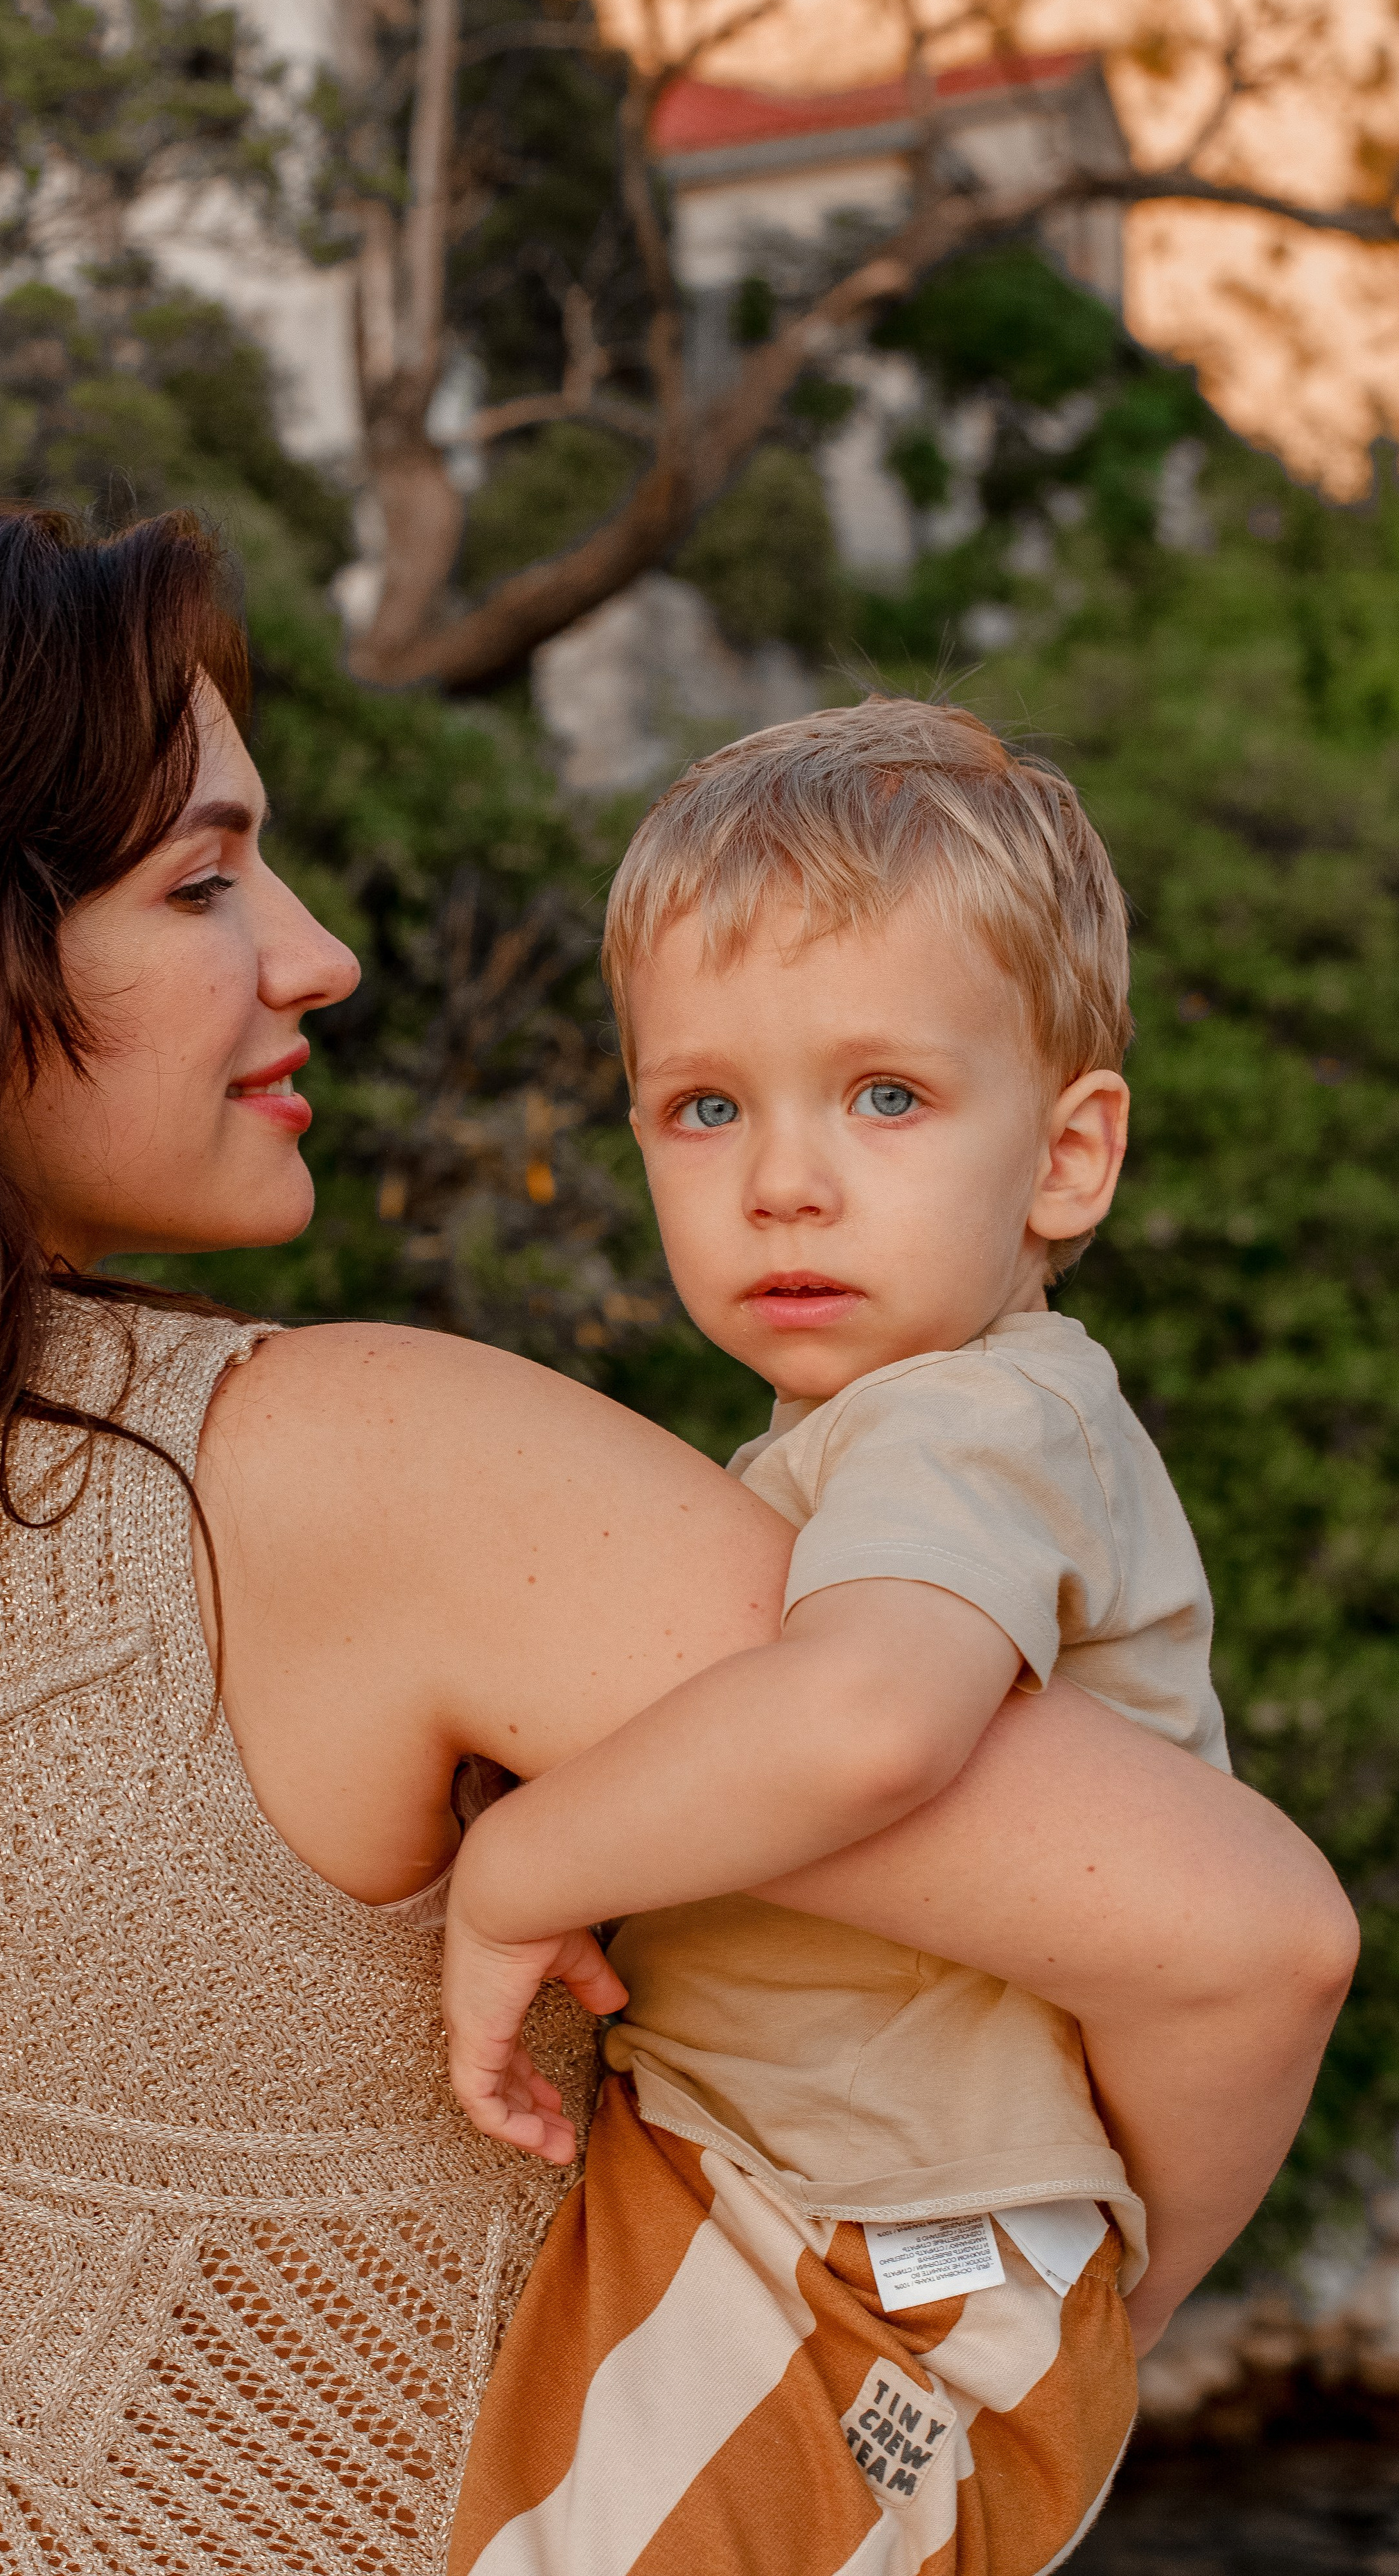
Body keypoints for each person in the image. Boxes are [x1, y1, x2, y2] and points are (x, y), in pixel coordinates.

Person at [0, 510, 1355, 2576]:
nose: (317, 950)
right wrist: (1103, 2322)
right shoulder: (345, 1470)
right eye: (202, 879)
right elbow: (1256, 1938)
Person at [442, 701, 1344, 2576]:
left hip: (893, 2269)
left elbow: (864, 1728)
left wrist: (524, 1860)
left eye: (886, 1098)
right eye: (709, 1105)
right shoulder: (854, 1444)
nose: (785, 1177)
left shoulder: (973, 1422)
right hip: (841, 2229)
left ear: (1069, 1159)